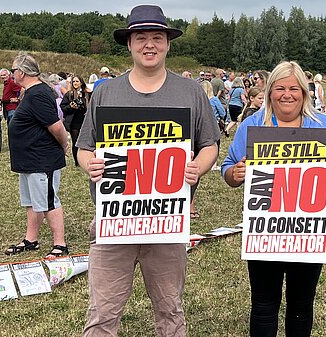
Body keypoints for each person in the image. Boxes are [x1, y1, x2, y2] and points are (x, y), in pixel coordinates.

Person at [76, 5, 220, 336]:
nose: (149, 45)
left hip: (167, 224)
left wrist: (199, 165)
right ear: (129, 44)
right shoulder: (106, 92)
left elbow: (209, 144)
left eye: (157, 37)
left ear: (168, 43)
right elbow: (84, 148)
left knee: (170, 311)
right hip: (114, 223)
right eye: (141, 38)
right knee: (101, 314)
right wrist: (90, 164)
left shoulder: (191, 92)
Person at [222, 60, 326, 337]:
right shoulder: (252, 125)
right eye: (280, 88)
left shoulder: (322, 124)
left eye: (294, 88)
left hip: (307, 229)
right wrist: (236, 173)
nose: (287, 94)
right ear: (269, 91)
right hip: (265, 229)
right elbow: (228, 168)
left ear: (305, 93)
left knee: (301, 304)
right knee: (263, 304)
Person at [5, 53, 70, 260]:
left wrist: (64, 144)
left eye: (14, 70)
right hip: (29, 160)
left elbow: (56, 126)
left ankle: (60, 243)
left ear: (22, 72)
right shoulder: (31, 92)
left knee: (49, 200)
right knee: (32, 201)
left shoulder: (38, 94)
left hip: (42, 159)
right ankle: (31, 240)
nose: (13, 73)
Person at [60, 75, 90, 166]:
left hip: (85, 121)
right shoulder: (69, 94)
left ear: (81, 82)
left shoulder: (86, 94)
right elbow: (63, 108)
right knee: (76, 142)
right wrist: (70, 106)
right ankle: (77, 162)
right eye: (74, 82)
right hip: (74, 121)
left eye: (77, 81)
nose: (75, 83)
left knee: (85, 142)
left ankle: (85, 160)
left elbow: (92, 105)